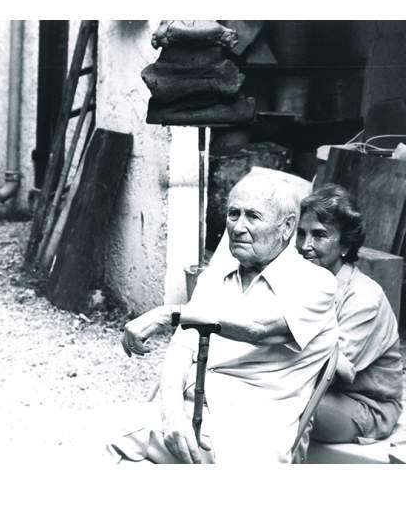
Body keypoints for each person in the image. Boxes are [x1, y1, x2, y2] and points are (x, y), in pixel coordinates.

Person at [108, 172, 338, 464]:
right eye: (233, 214)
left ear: (287, 227)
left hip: (248, 433)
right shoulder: (215, 278)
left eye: (252, 216)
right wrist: (173, 417)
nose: (238, 227)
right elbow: (180, 352)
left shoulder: (315, 282)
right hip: (191, 414)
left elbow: (259, 329)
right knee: (95, 431)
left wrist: (169, 313)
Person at [296, 183, 403, 444]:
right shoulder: (304, 282)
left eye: (319, 235)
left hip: (364, 404)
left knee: (285, 405)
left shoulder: (364, 296)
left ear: (345, 244)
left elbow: (328, 371)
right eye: (301, 233)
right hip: (316, 387)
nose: (305, 245)